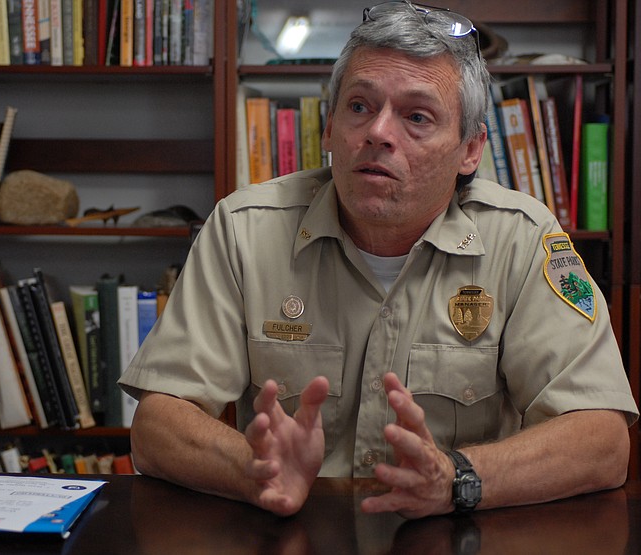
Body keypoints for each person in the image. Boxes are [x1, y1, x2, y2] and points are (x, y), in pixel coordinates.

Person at [119, 1, 638, 519]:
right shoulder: (243, 228)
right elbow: (157, 423)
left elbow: (603, 442)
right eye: (360, 106)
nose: (378, 133)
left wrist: (457, 478)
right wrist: (254, 467)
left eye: (416, 116)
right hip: (292, 533)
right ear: (328, 129)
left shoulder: (522, 240)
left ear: (471, 151)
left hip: (452, 535)